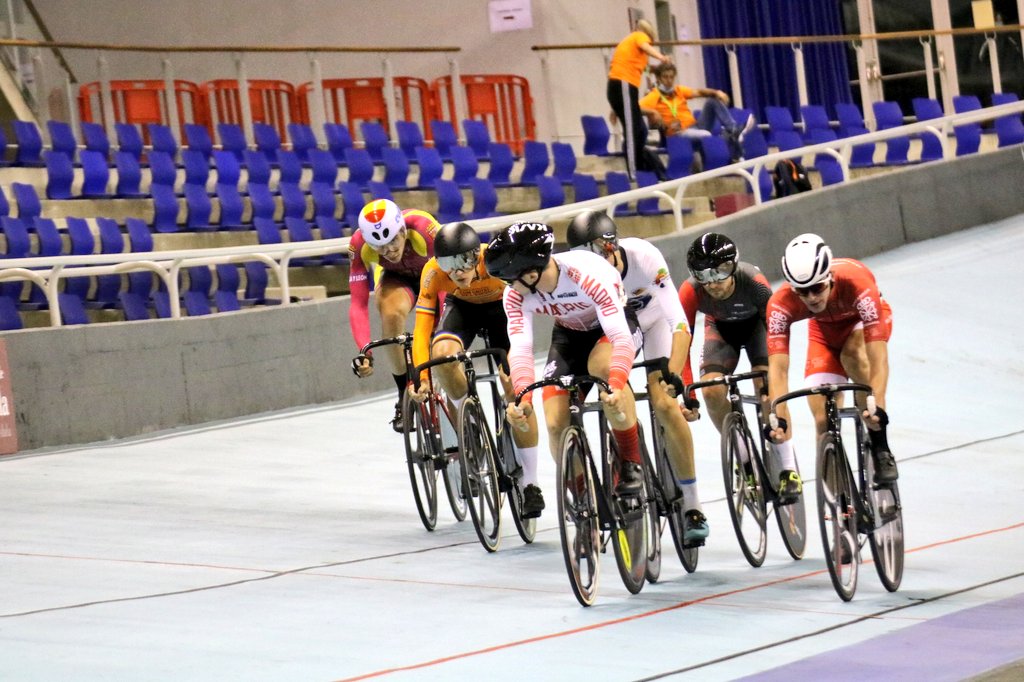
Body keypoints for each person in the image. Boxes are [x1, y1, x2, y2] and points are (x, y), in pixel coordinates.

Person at [566, 211, 709, 541]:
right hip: (617, 333)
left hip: (654, 324)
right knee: (614, 390)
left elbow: (678, 319)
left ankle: (692, 503)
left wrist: (674, 373)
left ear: (611, 246)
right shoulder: (578, 277)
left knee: (665, 405)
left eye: (598, 254)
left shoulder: (644, 256)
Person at [484, 221, 646, 500]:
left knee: (603, 369)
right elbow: (521, 348)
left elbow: (620, 338)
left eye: (510, 280)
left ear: (531, 274)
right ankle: (584, 497)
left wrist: (617, 385)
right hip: (569, 336)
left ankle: (632, 461)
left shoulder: (589, 275)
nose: (508, 288)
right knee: (556, 422)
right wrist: (523, 399)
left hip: (612, 329)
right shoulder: (515, 295)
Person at [408, 222, 544, 517]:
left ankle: (531, 483)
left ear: (476, 256)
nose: (456, 272)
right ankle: (466, 422)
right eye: (448, 264)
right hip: (463, 310)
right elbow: (421, 331)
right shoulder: (433, 273)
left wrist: (517, 364)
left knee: (515, 387)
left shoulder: (497, 258)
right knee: (442, 355)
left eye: (463, 262)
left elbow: (525, 309)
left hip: (503, 310)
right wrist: (421, 376)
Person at [765, 233, 898, 484]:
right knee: (823, 420)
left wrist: (877, 403)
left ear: (830, 278)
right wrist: (778, 416)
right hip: (824, 333)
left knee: (853, 355)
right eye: (803, 291)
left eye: (817, 288)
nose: (812, 297)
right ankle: (838, 507)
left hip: (861, 324)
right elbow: (778, 370)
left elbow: (878, 359)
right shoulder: (780, 305)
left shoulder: (858, 283)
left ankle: (881, 447)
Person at [679, 233, 802, 501]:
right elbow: (681, 344)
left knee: (767, 389)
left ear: (733, 266)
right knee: (711, 391)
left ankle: (788, 469)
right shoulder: (689, 291)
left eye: (720, 272)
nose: (712, 283)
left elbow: (776, 335)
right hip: (721, 330)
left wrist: (773, 384)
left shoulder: (755, 283)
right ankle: (743, 455)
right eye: (703, 275)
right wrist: (688, 393)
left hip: (758, 329)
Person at [349, 199, 440, 432]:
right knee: (390, 314)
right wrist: (365, 351)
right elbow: (358, 304)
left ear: (402, 230)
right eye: (379, 246)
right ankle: (403, 394)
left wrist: (435, 332)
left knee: (440, 338)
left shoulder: (424, 228)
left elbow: (444, 291)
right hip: (396, 281)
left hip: (435, 277)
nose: (388, 251)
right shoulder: (358, 245)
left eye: (393, 241)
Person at [640, 61, 756, 163]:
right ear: (659, 78)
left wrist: (717, 92)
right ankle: (734, 148)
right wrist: (652, 112)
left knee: (712, 101)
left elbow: (700, 92)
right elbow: (637, 108)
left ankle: (733, 129)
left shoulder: (679, 90)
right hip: (679, 133)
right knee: (707, 135)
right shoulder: (654, 95)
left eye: (671, 77)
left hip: (695, 126)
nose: (669, 81)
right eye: (665, 77)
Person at [607, 18, 671, 181]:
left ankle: (641, 164)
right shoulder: (639, 36)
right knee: (631, 130)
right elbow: (645, 46)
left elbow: (644, 67)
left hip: (625, 88)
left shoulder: (633, 49)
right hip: (623, 85)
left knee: (640, 130)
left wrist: (656, 68)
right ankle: (633, 173)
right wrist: (661, 57)